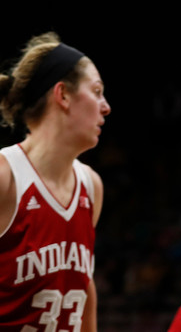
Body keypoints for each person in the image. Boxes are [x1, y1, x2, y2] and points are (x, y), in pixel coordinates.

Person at [0, 32, 110, 332]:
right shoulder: (5, 177)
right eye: (97, 91)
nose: (106, 106)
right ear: (62, 95)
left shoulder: (91, 186)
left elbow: (84, 287)